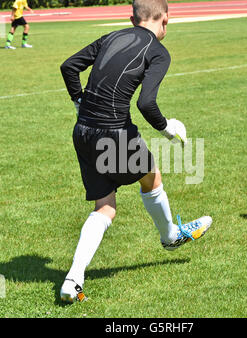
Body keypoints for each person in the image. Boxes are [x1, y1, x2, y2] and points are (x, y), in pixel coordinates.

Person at [60, 0, 212, 303]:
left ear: (132, 19)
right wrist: (167, 128)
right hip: (113, 132)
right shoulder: (157, 51)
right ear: (166, 20)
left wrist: (79, 101)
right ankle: (170, 236)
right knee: (152, 177)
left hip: (83, 131)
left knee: (105, 207)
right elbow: (146, 104)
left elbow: (69, 66)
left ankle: (73, 279)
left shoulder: (111, 37)